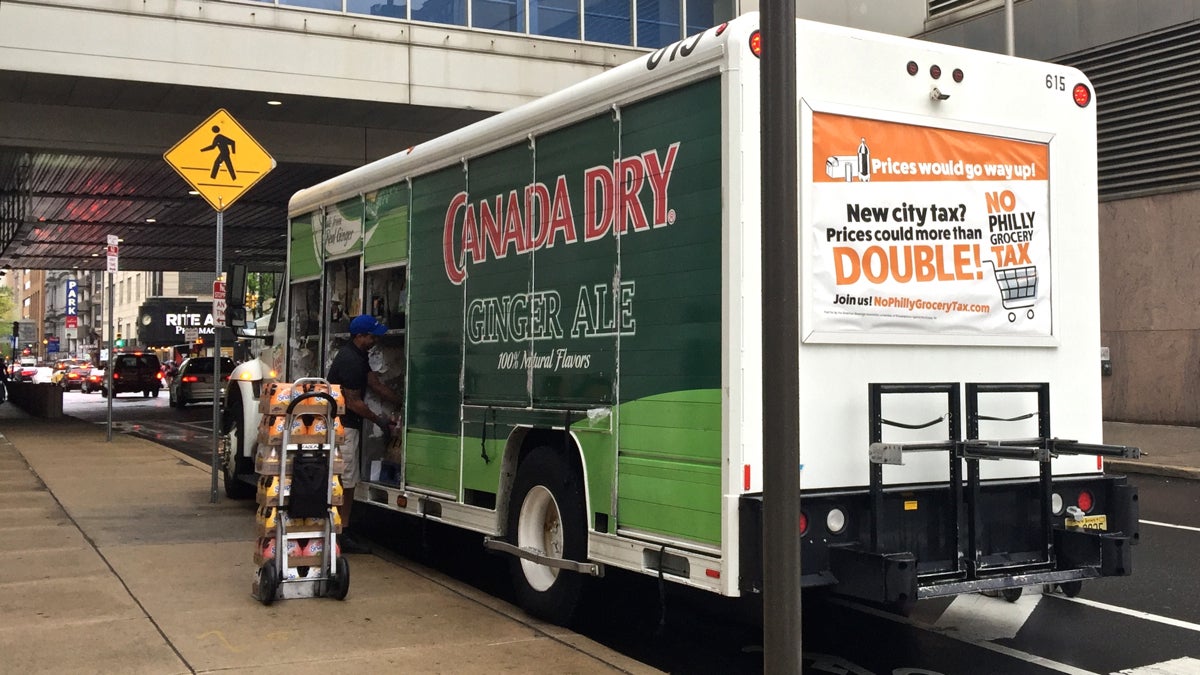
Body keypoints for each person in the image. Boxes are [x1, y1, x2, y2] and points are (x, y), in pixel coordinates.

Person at [326, 314, 401, 553]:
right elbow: (353, 402)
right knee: (346, 482)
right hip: (344, 428)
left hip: (350, 428)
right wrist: (379, 420)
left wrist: (400, 400)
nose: (375, 340)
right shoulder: (350, 360)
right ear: (360, 336)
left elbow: (375, 384)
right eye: (371, 336)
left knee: (349, 479)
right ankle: (340, 533)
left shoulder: (358, 356)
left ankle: (342, 529)